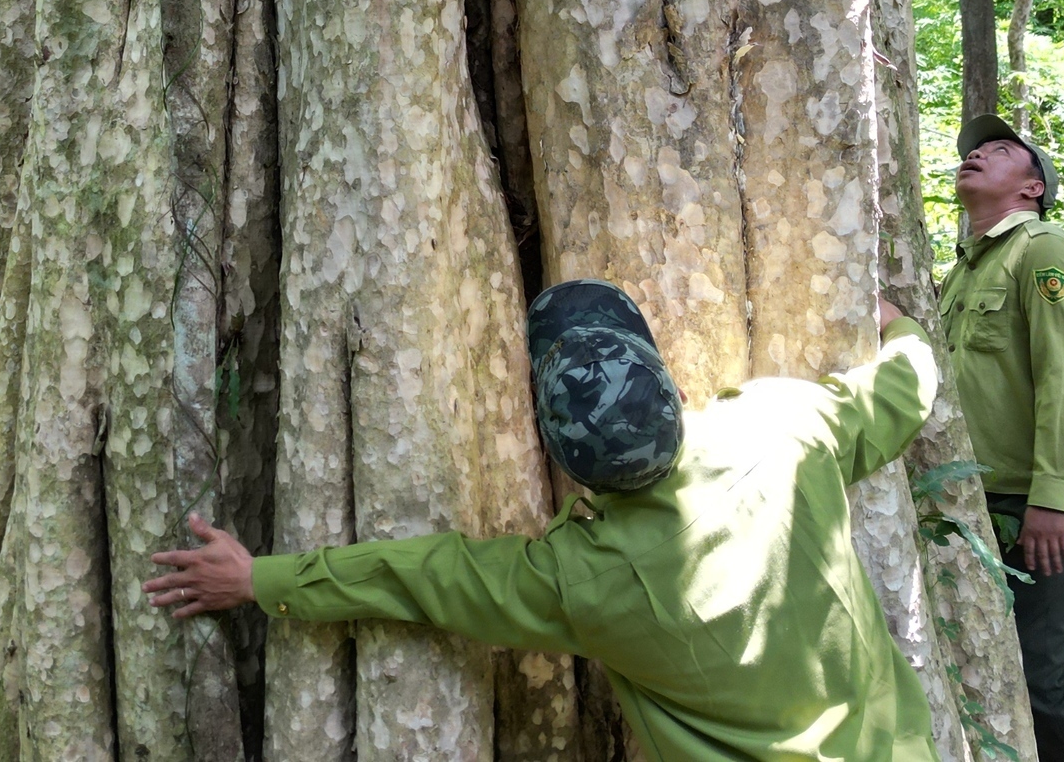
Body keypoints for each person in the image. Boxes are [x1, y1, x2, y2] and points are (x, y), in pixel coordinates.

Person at [146, 278, 944, 762]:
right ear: (664, 383)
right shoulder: (784, 430)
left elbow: (426, 575)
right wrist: (899, 327)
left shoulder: (581, 581)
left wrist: (260, 580)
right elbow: (904, 394)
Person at [941, 113, 1064, 762]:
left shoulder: (1044, 250)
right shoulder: (965, 267)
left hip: (1050, 499)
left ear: (1032, 187)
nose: (977, 153)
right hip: (978, 497)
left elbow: (1063, 379)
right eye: (973, 149)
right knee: (973, 657)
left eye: (1000, 149)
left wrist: (1053, 499)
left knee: (1037, 675)